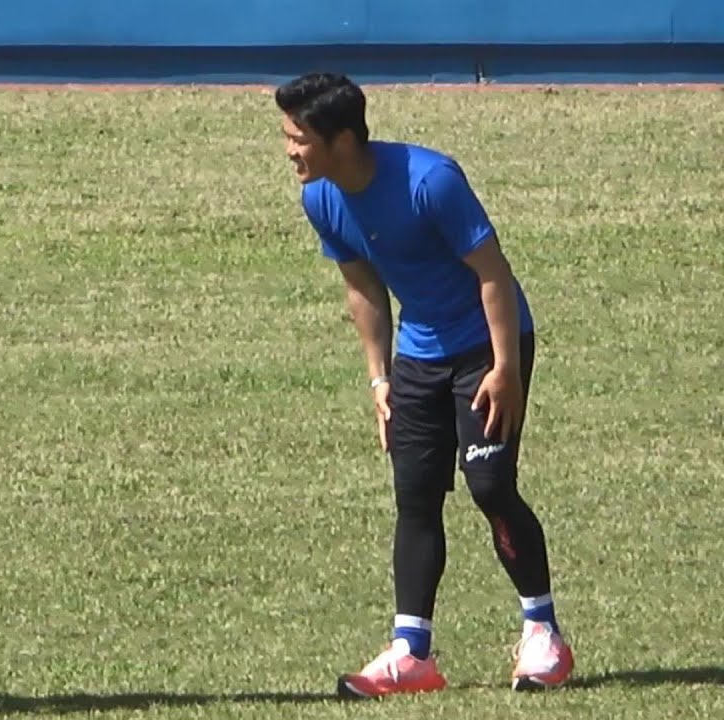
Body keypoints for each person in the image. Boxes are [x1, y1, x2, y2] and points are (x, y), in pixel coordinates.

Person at [275, 72, 573, 698]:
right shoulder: (321, 197)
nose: (290, 150)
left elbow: (493, 273)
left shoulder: (430, 180)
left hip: (487, 344)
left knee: (490, 484)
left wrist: (505, 369)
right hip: (418, 356)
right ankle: (412, 654)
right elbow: (362, 285)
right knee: (415, 497)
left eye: (299, 139)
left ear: (343, 140)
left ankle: (543, 635)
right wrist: (379, 377)